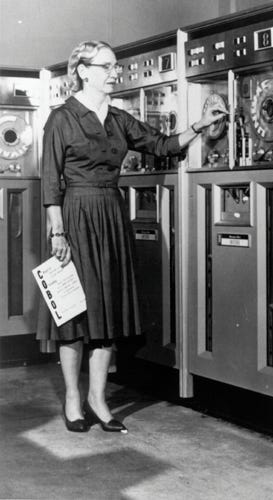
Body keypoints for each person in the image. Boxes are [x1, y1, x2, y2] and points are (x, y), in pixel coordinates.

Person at [36, 40, 227, 433]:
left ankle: (97, 399)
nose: (114, 73)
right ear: (84, 71)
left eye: (115, 66)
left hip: (110, 214)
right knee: (73, 313)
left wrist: (201, 125)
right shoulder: (61, 118)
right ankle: (73, 398)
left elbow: (162, 146)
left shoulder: (119, 119)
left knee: (106, 311)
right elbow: (50, 180)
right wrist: (58, 230)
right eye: (106, 67)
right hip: (73, 216)